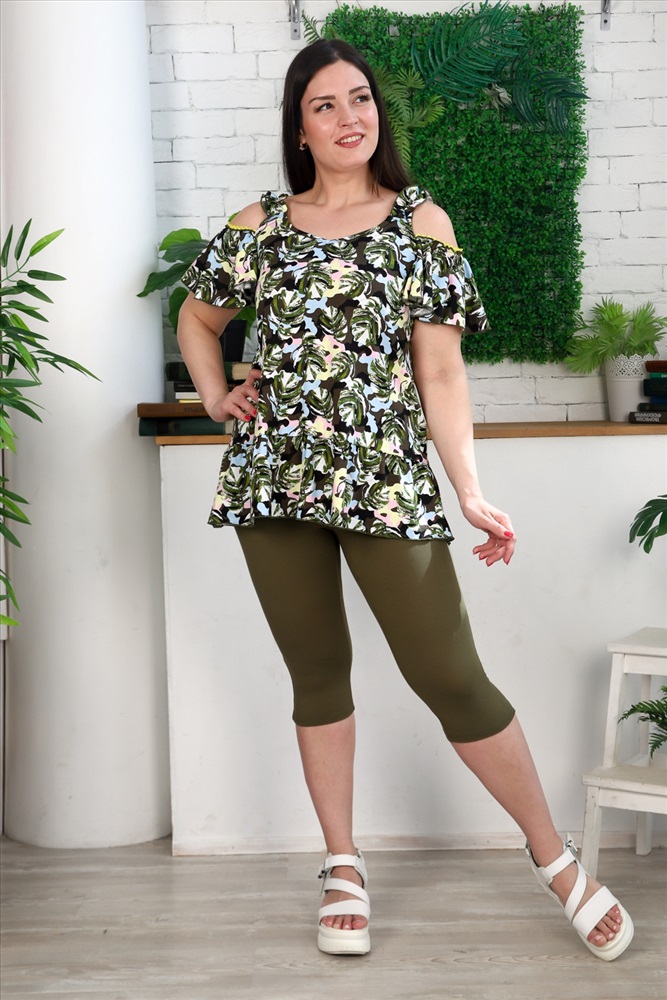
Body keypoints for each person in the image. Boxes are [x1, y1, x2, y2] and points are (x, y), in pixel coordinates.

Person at [176, 38, 633, 961]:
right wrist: (217, 391)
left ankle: (553, 858)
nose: (349, 117)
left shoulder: (421, 221)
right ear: (299, 131)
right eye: (324, 105)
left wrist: (469, 489)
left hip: (385, 480)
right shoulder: (258, 224)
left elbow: (442, 373)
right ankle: (342, 863)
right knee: (317, 675)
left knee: (449, 676)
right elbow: (197, 313)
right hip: (275, 479)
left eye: (359, 98)